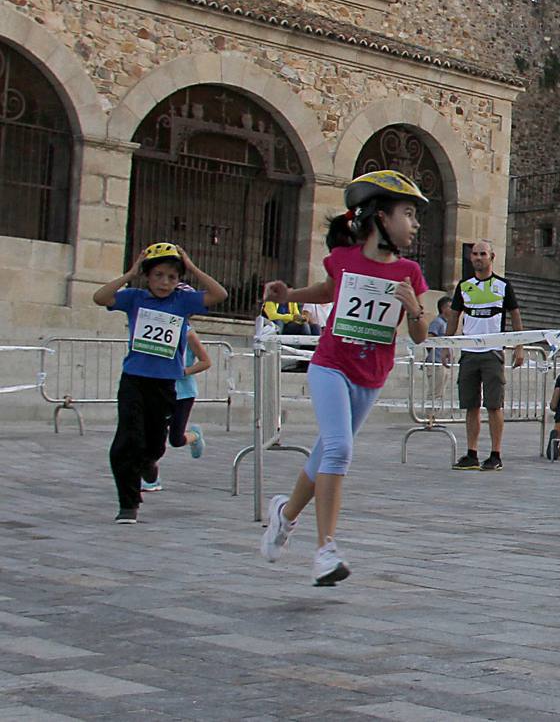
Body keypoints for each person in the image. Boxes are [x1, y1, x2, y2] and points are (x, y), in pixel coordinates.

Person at [258, 170, 432, 585]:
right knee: (338, 449)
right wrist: (289, 296)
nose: (415, 223)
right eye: (407, 213)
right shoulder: (344, 260)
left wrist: (414, 310)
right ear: (380, 218)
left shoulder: (409, 271)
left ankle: (285, 515)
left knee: (324, 454)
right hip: (330, 364)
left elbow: (421, 336)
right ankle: (325, 550)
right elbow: (327, 290)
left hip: (370, 376)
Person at [95, 243, 226, 522]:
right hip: (134, 381)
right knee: (127, 441)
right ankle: (128, 504)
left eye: (172, 277)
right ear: (148, 276)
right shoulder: (134, 298)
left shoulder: (181, 302)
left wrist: (191, 267)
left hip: (166, 384)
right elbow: (100, 297)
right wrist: (130, 273)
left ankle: (148, 463)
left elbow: (219, 294)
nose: (165, 282)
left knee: (155, 444)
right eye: (158, 275)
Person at [446, 242, 523, 473]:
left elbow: (515, 315)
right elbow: (454, 316)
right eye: (475, 254)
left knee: (493, 405)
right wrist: (445, 344)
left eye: (483, 254)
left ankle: (495, 453)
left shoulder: (503, 286)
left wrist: (519, 346)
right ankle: (471, 453)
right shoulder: (464, 286)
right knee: (470, 405)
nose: (478, 258)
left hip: (492, 352)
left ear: (492, 257)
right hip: (469, 352)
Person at [142, 327, 212, 492]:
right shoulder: (155, 329)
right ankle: (151, 477)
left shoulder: (188, 334)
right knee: (153, 435)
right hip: (159, 391)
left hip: (183, 393)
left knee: (176, 439)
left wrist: (183, 371)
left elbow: (206, 362)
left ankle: (194, 436)